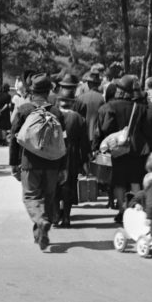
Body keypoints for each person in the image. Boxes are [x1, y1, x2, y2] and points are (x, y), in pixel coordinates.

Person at [10, 73, 67, 251]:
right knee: (48, 198)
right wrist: (63, 166)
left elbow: (14, 138)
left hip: (30, 162)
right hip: (52, 163)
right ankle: (41, 232)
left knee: (30, 196)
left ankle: (41, 222)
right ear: (49, 92)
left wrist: (13, 163)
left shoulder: (25, 110)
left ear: (31, 92)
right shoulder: (56, 112)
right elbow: (63, 141)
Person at [95, 74, 152, 223]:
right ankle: (139, 210)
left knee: (119, 181)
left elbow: (105, 128)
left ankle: (122, 210)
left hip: (118, 150)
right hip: (137, 150)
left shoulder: (109, 107)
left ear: (120, 90)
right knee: (135, 180)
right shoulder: (140, 108)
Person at [57, 88, 90, 227]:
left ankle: (56, 213)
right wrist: (84, 162)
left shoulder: (53, 115)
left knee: (55, 185)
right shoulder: (78, 118)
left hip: (55, 155)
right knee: (69, 185)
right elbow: (84, 143)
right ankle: (66, 217)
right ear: (72, 103)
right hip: (72, 155)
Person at [73, 71, 105, 147]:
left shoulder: (80, 98)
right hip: (96, 136)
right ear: (99, 84)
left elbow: (75, 117)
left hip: (82, 135)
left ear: (88, 84)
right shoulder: (102, 99)